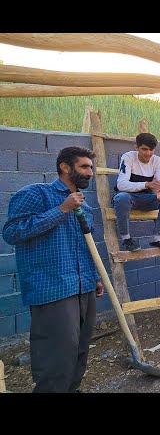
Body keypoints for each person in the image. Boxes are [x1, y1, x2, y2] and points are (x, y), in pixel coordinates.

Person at [2, 146, 104, 393]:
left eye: (91, 167)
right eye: (83, 166)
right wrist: (62, 209)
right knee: (58, 351)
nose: (89, 172)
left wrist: (95, 277)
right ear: (64, 167)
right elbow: (12, 233)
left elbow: (84, 246)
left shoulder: (85, 208)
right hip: (52, 286)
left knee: (80, 347)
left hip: (84, 285)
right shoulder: (37, 194)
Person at [112, 132, 160, 253]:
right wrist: (146, 184)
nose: (148, 153)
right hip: (129, 199)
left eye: (151, 150)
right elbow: (121, 185)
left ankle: (157, 239)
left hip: (147, 199)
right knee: (121, 197)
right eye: (144, 149)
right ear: (136, 147)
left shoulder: (157, 161)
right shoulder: (128, 157)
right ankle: (126, 239)